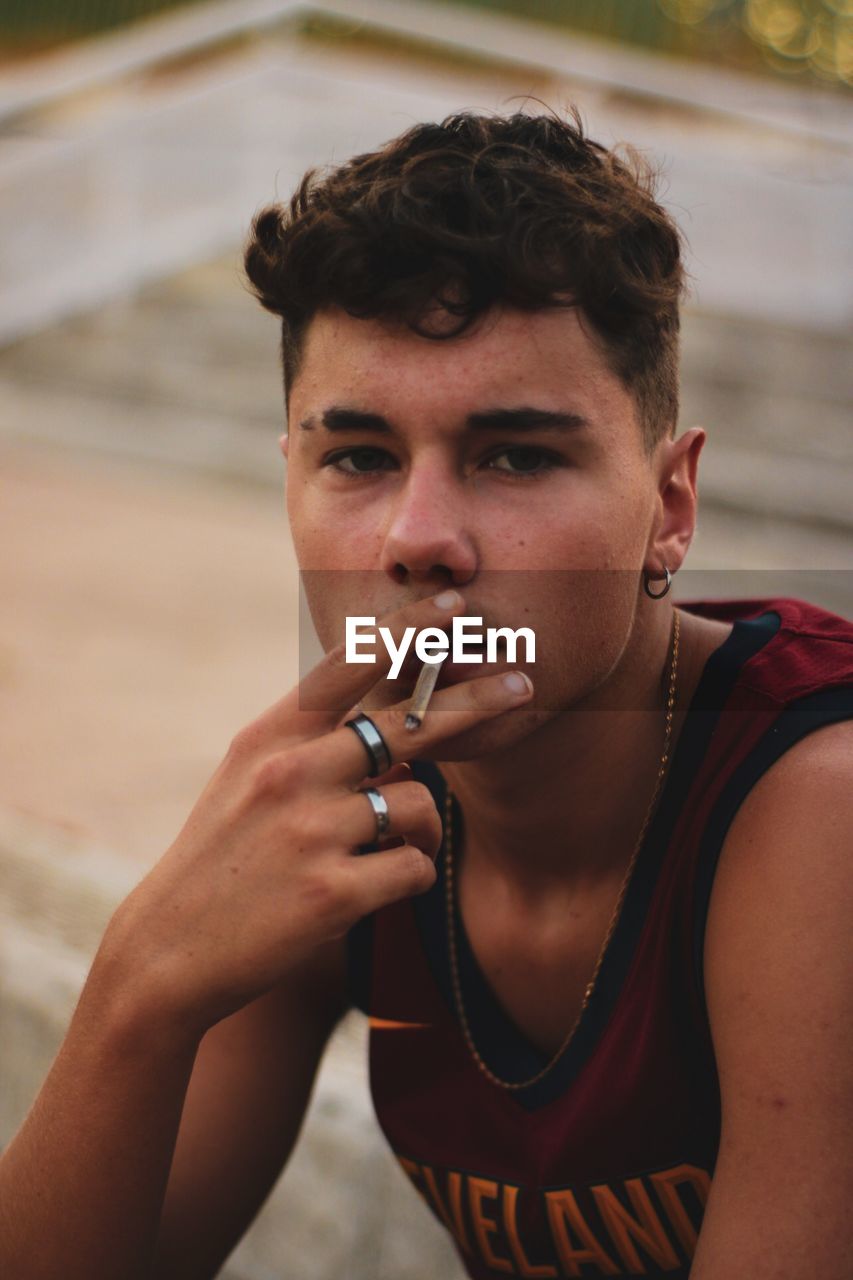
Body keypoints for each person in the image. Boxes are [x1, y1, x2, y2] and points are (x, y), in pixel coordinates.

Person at [0, 107, 850, 1280]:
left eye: (516, 454)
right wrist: (140, 978)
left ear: (670, 504)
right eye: (358, 457)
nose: (419, 538)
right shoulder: (343, 817)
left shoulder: (811, 801)